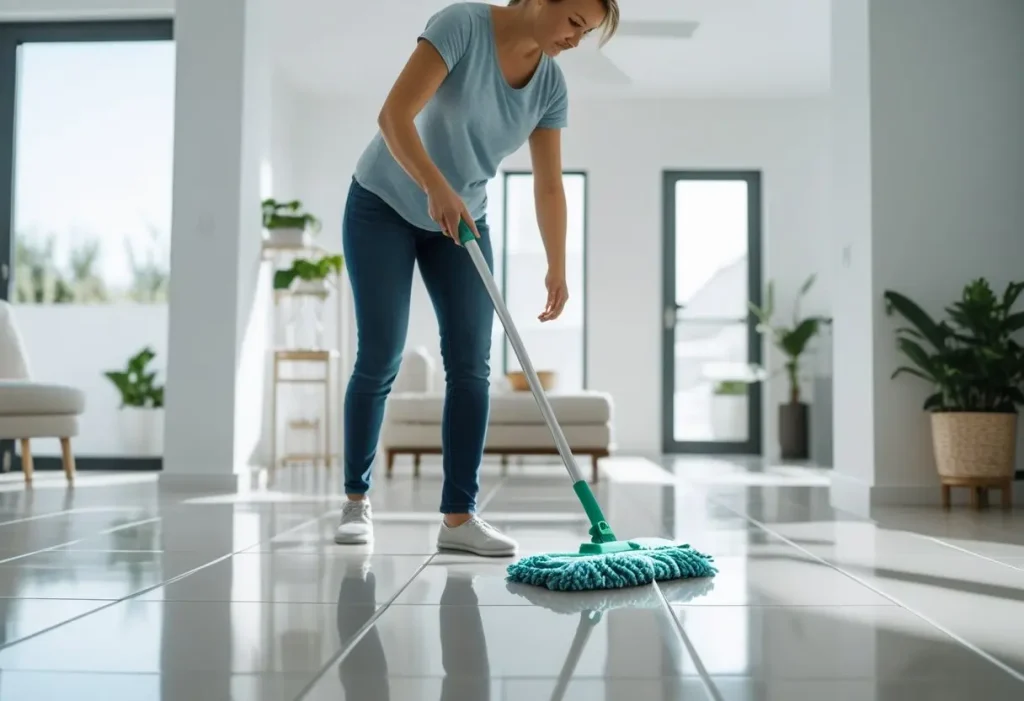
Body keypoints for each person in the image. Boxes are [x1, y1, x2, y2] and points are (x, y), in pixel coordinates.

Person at [334, 0, 620, 556]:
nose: (576, 39)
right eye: (574, 23)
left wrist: (557, 264)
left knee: (471, 364)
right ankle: (355, 501)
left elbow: (549, 186)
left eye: (587, 32)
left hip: (461, 220)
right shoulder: (461, 25)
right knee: (382, 354)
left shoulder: (550, 88)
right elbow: (393, 116)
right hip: (382, 203)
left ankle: (459, 519)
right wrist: (435, 186)